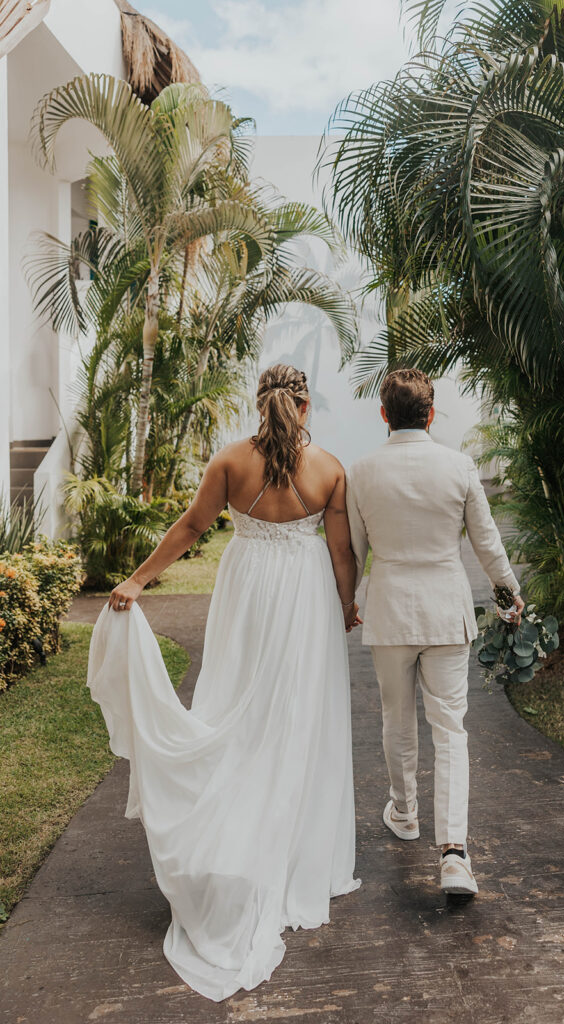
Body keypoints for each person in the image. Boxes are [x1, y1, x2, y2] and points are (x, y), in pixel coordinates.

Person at [87, 364, 361, 1002]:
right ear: (303, 403)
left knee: (234, 704)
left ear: (260, 402)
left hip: (245, 593)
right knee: (298, 715)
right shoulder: (330, 468)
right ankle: (295, 852)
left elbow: (189, 528)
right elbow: (341, 553)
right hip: (303, 599)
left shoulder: (231, 462)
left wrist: (137, 579)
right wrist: (347, 603)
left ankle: (226, 825)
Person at [345, 368, 523, 896]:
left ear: (383, 414)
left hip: (390, 611)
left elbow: (354, 552)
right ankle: (453, 854)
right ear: (431, 412)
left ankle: (404, 813)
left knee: (396, 718)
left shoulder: (361, 471)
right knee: (450, 729)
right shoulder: (460, 466)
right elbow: (487, 543)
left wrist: (347, 602)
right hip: (447, 612)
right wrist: (510, 591)